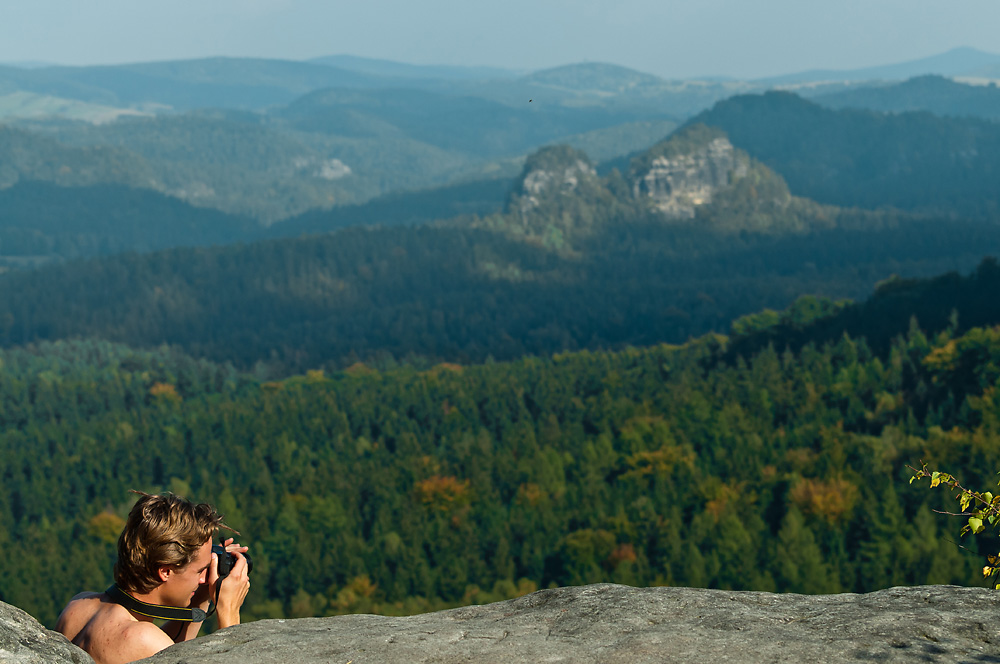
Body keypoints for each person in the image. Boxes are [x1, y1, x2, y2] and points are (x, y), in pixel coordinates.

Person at [56, 491, 251, 664]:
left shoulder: (78, 607)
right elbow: (157, 650)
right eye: (200, 571)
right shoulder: (143, 639)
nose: (202, 579)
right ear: (165, 571)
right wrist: (229, 612)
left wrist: (200, 596)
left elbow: (170, 654)